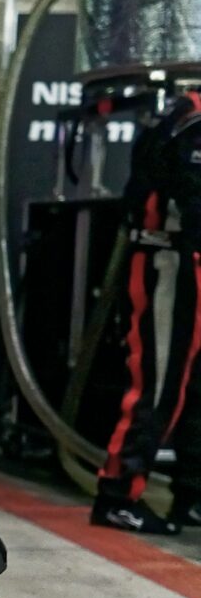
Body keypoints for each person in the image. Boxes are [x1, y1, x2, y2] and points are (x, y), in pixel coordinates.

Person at [91, 90, 201, 533]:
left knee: (193, 385)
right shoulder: (192, 122)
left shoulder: (183, 115)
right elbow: (194, 204)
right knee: (157, 385)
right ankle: (117, 496)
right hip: (168, 262)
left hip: (184, 261)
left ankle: (191, 495)